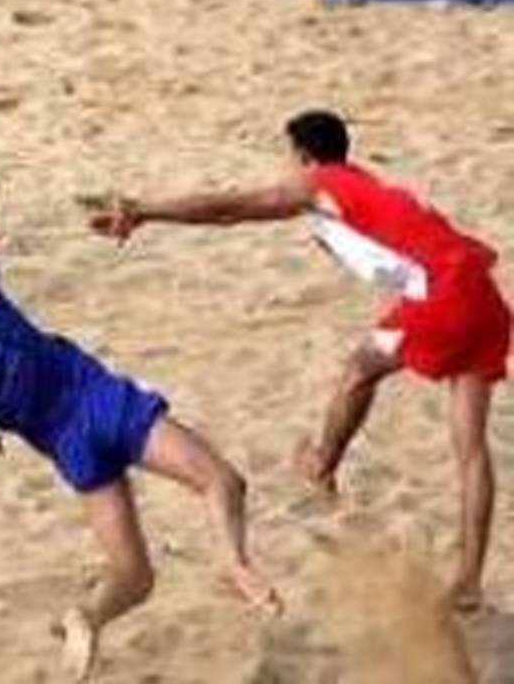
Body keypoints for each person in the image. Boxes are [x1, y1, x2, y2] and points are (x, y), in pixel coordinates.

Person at [0, 101, 279, 682]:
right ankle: (235, 563)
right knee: (222, 482)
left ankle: (88, 616)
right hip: (106, 404)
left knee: (134, 577)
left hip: (71, 448)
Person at [90, 109, 510, 612]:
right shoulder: (357, 184)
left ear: (305, 157)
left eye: (287, 157)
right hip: (480, 290)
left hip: (442, 293)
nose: (285, 169)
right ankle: (468, 579)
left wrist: (144, 210)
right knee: (471, 449)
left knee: (359, 371)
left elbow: (229, 207)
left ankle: (321, 463)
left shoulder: (319, 184)